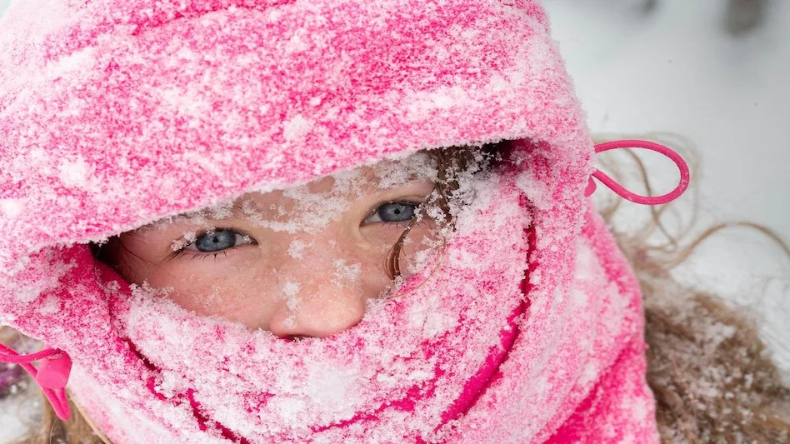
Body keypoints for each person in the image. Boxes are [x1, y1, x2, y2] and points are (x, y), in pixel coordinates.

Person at [0, 1, 787, 443]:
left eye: (396, 210)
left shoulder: (690, 402)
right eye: (217, 238)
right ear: (89, 262)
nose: (337, 311)